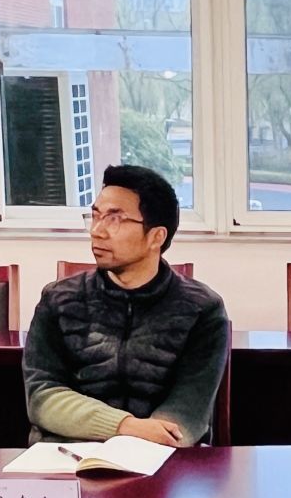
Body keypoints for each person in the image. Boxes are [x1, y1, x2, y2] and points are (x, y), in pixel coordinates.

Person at [25, 164, 229, 447]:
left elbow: (189, 411)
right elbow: (42, 396)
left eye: (115, 219)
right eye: (95, 216)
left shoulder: (202, 309)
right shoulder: (58, 299)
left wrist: (138, 447)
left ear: (156, 236)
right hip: (68, 455)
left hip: (160, 457)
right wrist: (125, 427)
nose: (97, 231)